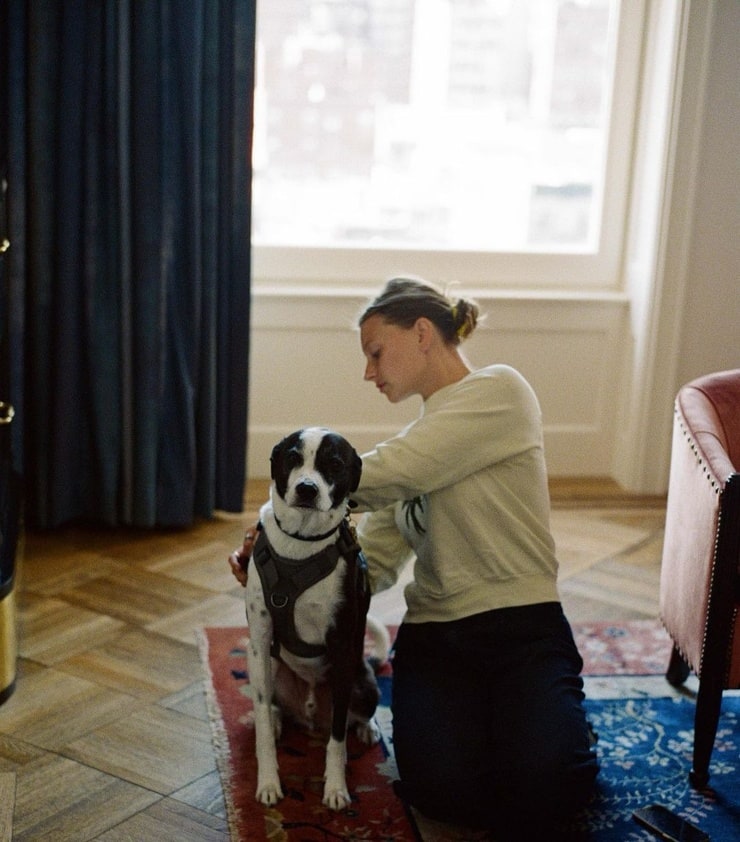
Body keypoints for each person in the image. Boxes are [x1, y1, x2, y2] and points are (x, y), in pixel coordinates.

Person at [230, 277, 599, 839]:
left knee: (551, 782)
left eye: (376, 353)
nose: (368, 372)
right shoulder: (418, 447)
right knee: (440, 791)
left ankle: (544, 725)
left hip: (523, 628)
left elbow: (393, 470)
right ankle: (505, 725)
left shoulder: (501, 392)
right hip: (436, 636)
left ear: (423, 333)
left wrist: (284, 508)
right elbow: (365, 563)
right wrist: (281, 563)